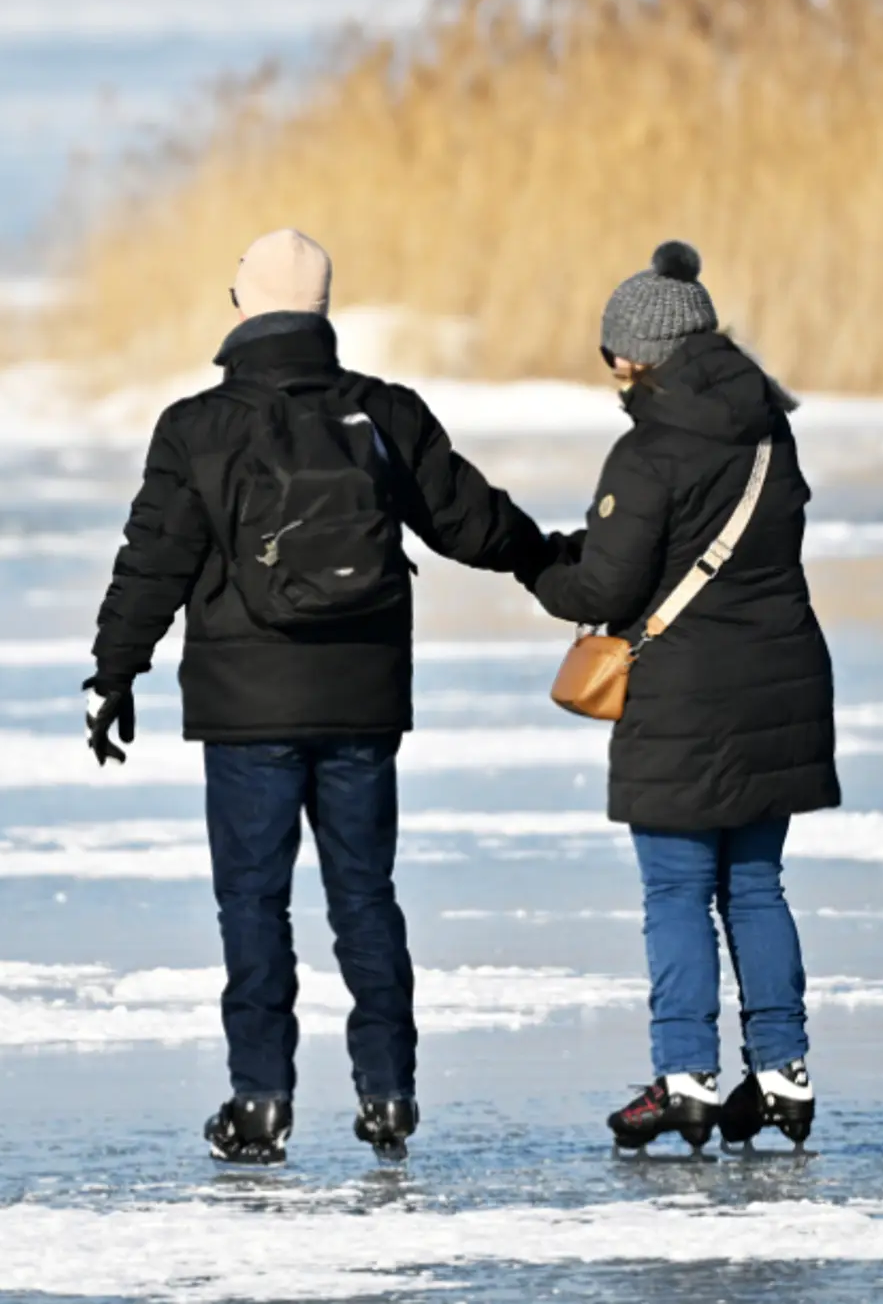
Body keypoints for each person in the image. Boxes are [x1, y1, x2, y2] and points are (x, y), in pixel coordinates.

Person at [84, 228, 553, 1166]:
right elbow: (467, 518)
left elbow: (156, 559)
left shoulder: (195, 427)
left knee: (253, 902)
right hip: (360, 700)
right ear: (323, 311)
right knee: (364, 895)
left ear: (243, 308)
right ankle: (388, 1094)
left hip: (246, 705)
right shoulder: (384, 412)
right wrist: (558, 560)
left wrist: (115, 668)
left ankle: (260, 1100)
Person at [521, 240, 840, 1153]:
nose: (610, 369)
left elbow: (604, 594)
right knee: (755, 884)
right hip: (780, 683)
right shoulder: (769, 432)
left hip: (686, 701)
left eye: (609, 353)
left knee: (675, 889)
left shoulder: (649, 449)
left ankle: (687, 1079)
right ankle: (782, 1074)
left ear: (638, 356)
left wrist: (539, 563)